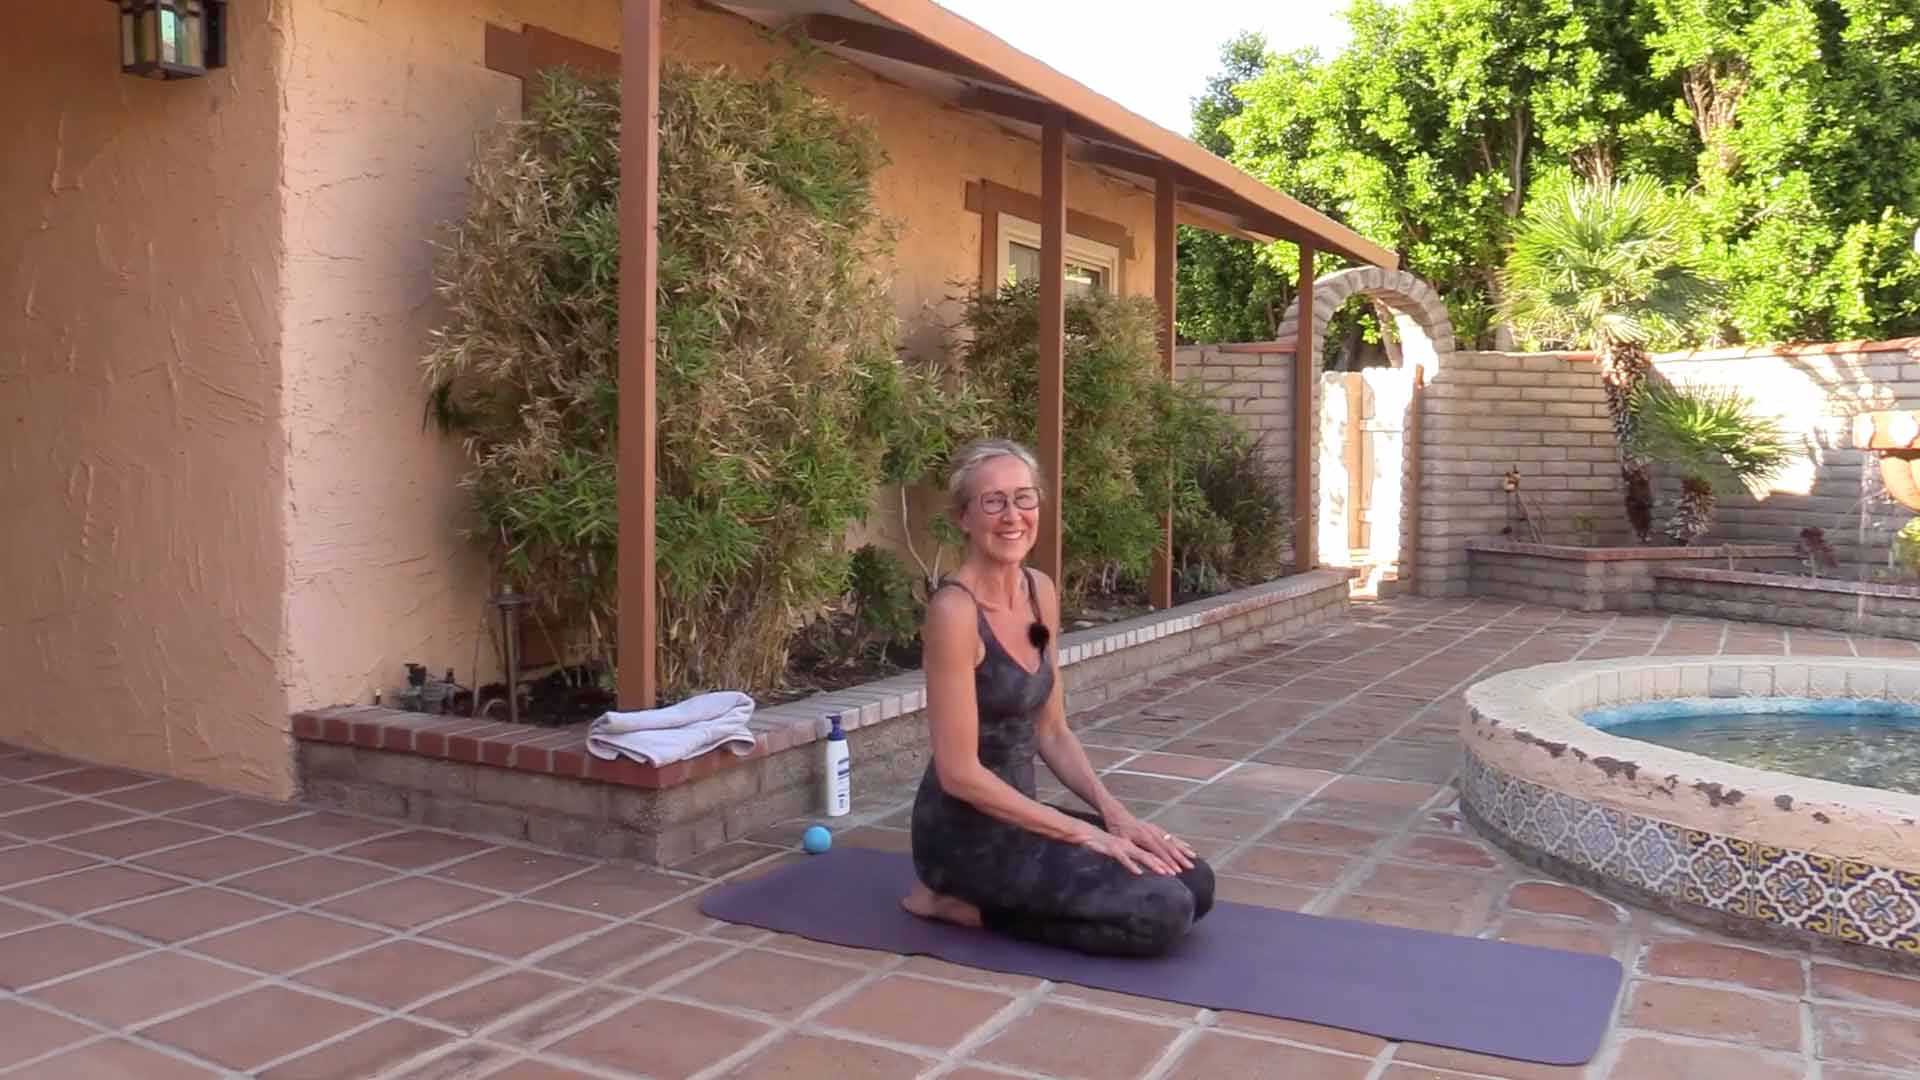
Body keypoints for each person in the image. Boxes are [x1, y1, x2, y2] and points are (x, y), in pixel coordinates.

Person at [904, 438, 1215, 957]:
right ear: (964, 517)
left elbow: (1051, 730)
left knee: (1194, 882)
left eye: (1024, 499)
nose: (1012, 516)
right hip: (963, 836)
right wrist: (1078, 833)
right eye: (993, 502)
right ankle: (956, 902)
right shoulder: (954, 612)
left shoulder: (1039, 591)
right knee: (1163, 909)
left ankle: (1013, 888)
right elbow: (958, 772)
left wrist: (1116, 817)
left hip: (1022, 815)